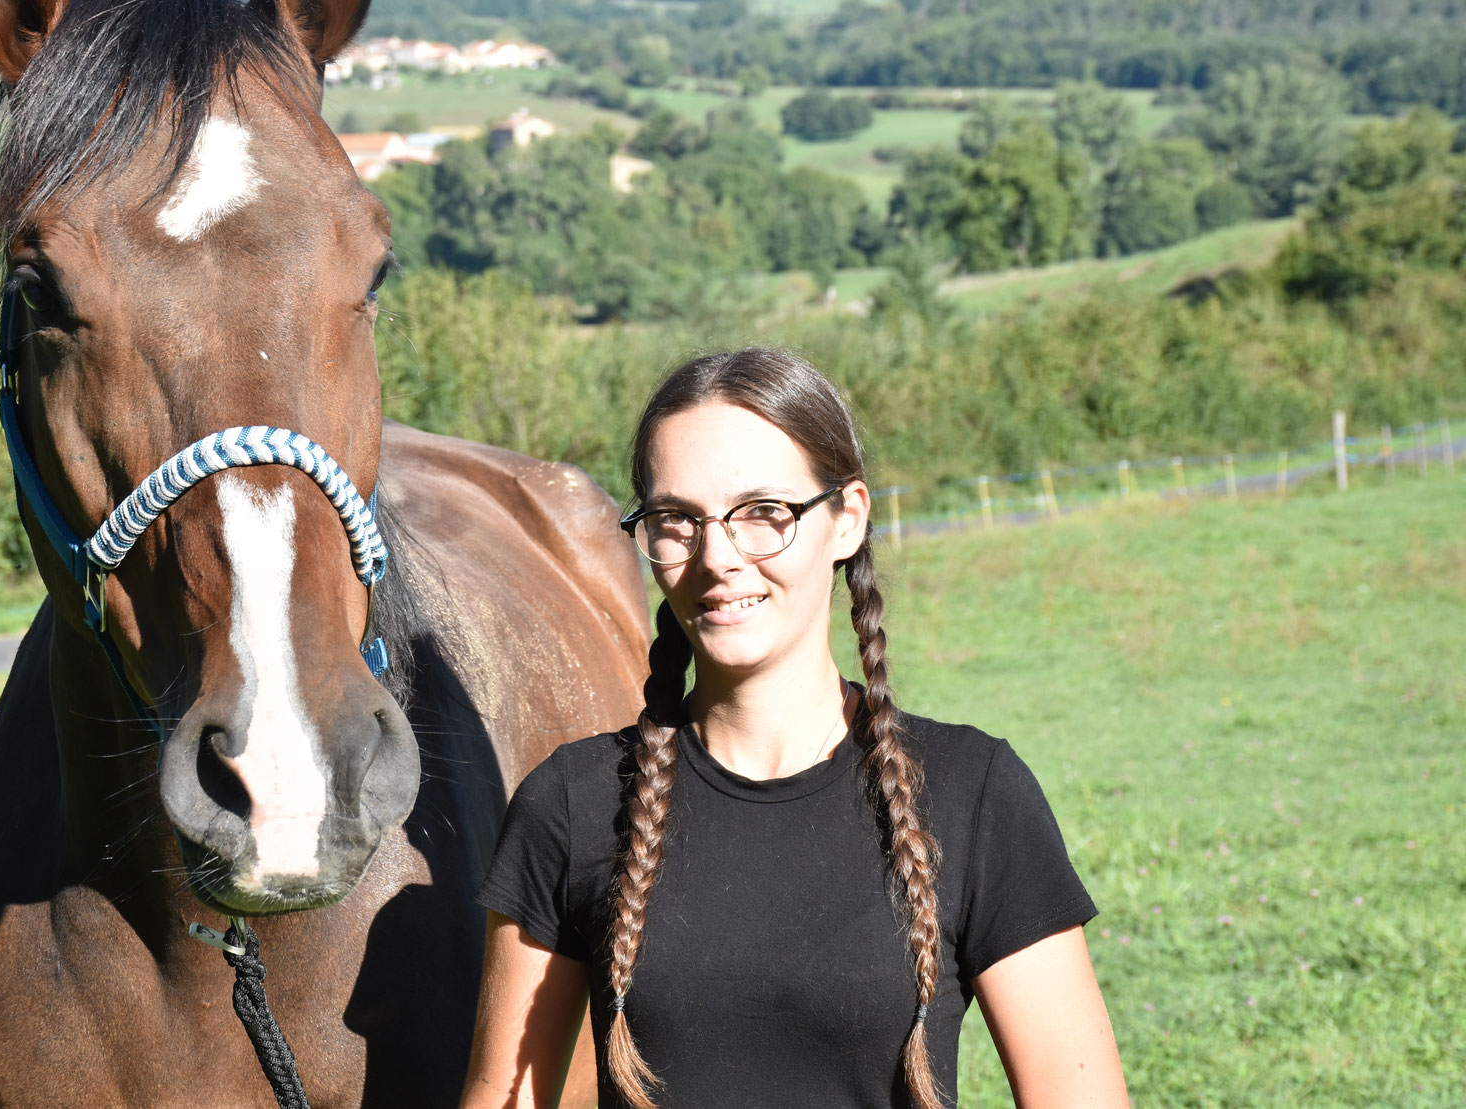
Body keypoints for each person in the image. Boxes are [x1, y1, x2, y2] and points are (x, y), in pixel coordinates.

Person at [461, 349, 1128, 1108]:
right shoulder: (572, 802)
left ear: (847, 518)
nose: (718, 558)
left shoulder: (973, 793)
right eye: (677, 520)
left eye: (764, 514)